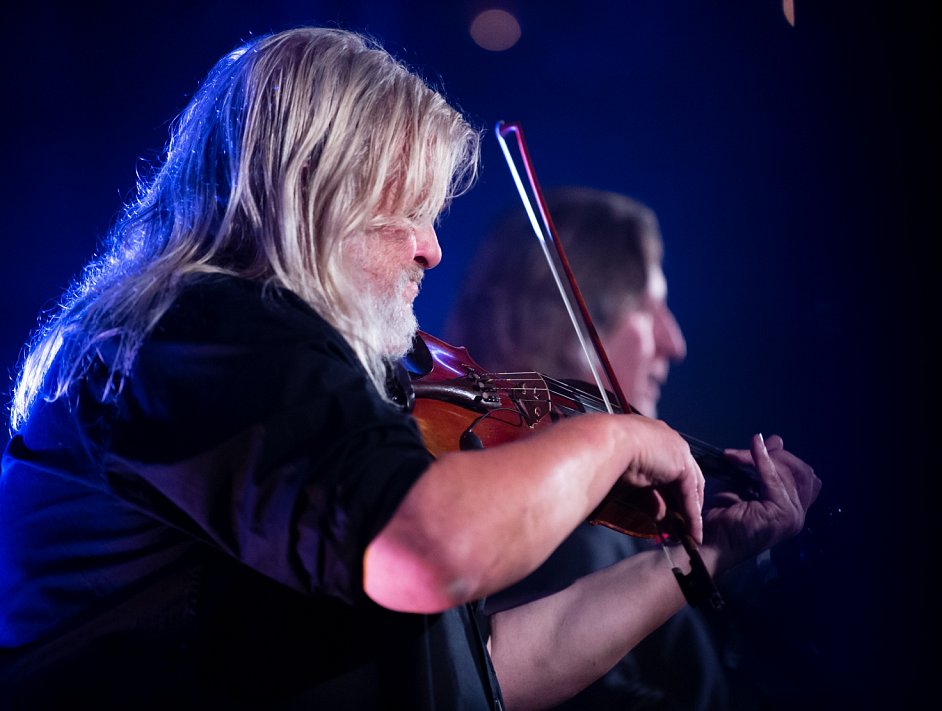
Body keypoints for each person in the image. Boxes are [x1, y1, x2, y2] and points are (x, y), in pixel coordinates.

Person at [0, 27, 820, 710]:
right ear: (315, 193)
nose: (433, 247)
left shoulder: (271, 366)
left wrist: (698, 561)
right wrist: (611, 439)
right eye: (408, 213)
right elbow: (431, 545)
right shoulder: (201, 327)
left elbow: (489, 669)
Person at [444, 187, 822, 710]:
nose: (675, 341)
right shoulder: (569, 525)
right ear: (568, 322)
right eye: (649, 307)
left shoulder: (602, 512)